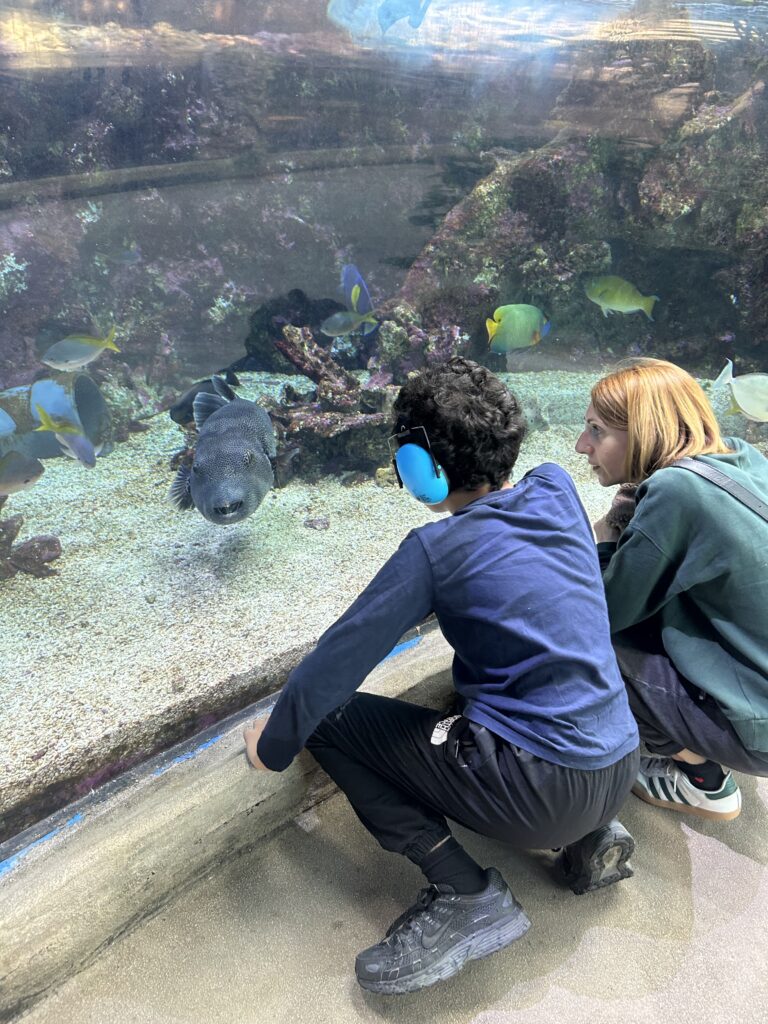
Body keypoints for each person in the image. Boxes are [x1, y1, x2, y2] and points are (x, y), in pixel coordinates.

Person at [244, 357, 640, 995]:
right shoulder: (557, 486)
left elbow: (333, 665)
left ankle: (463, 891)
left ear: (417, 470)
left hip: (537, 791)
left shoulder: (433, 552)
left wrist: (272, 745)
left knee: (331, 718)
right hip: (619, 763)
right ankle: (591, 839)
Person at [575, 357, 768, 823]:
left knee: (582, 647)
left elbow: (602, 615)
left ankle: (700, 777)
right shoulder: (743, 456)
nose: (581, 445)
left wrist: (604, 535)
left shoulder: (677, 491)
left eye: (597, 430)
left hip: (760, 731)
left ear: (643, 430)